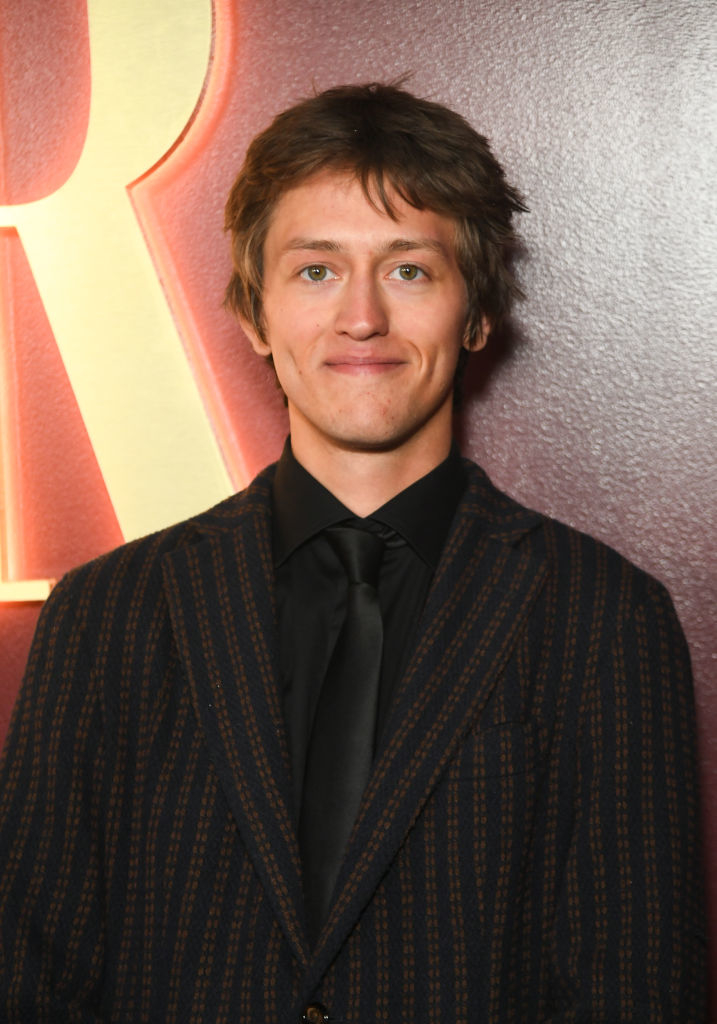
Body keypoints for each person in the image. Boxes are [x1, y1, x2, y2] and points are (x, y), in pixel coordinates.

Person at [0, 82, 706, 1022]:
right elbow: (29, 977)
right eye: (316, 271)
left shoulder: (603, 617)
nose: (362, 317)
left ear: (477, 312)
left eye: (409, 270)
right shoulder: (108, 613)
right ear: (254, 314)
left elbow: (636, 992)